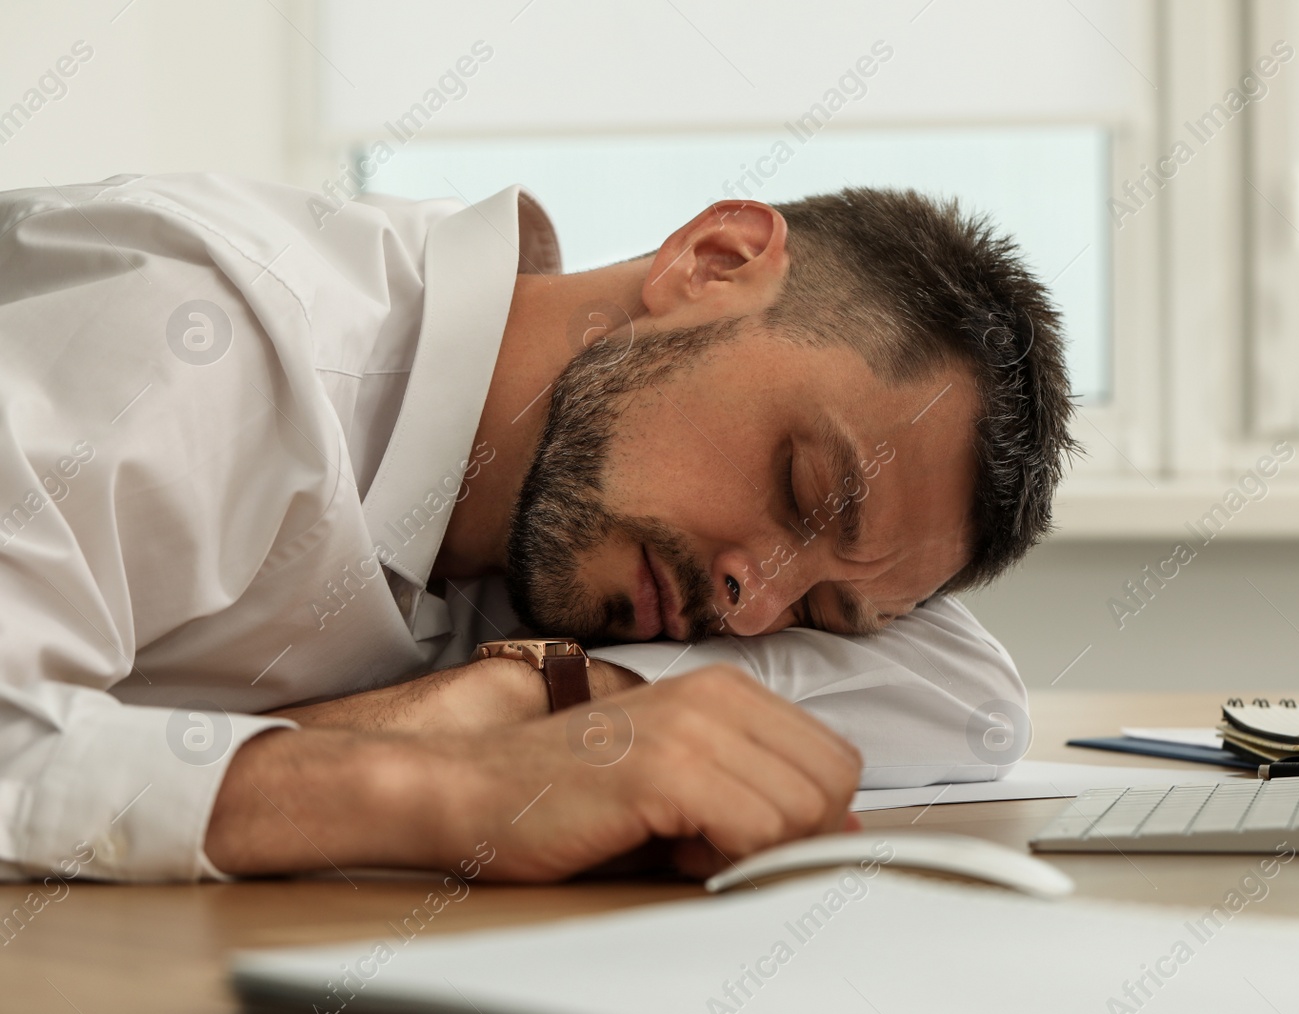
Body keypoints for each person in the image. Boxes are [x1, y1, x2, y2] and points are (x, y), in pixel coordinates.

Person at [0, 174, 1074, 883]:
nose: (751, 606)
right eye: (801, 489)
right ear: (711, 261)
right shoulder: (196, 346)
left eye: (826, 609)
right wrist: (448, 786)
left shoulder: (585, 505)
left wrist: (529, 694)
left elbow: (966, 698)